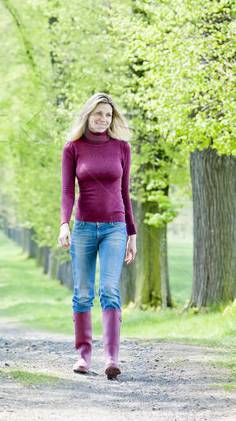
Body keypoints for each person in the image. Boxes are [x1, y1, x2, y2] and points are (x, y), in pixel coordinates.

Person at [58, 92, 137, 379]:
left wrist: (132, 233)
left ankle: (111, 358)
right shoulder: (73, 148)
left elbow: (125, 193)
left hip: (115, 227)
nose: (103, 119)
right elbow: (68, 191)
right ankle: (83, 356)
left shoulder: (122, 148)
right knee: (82, 293)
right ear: (88, 115)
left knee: (109, 290)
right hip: (83, 228)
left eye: (108, 115)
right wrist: (64, 223)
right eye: (98, 114)